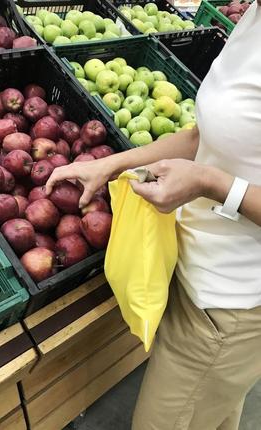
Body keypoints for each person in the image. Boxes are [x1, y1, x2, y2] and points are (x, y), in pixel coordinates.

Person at [46, 2, 261, 428]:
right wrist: (112, 164)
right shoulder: (253, 20)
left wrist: (210, 184)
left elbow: (211, 168)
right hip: (193, 265)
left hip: (230, 305)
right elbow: (205, 136)